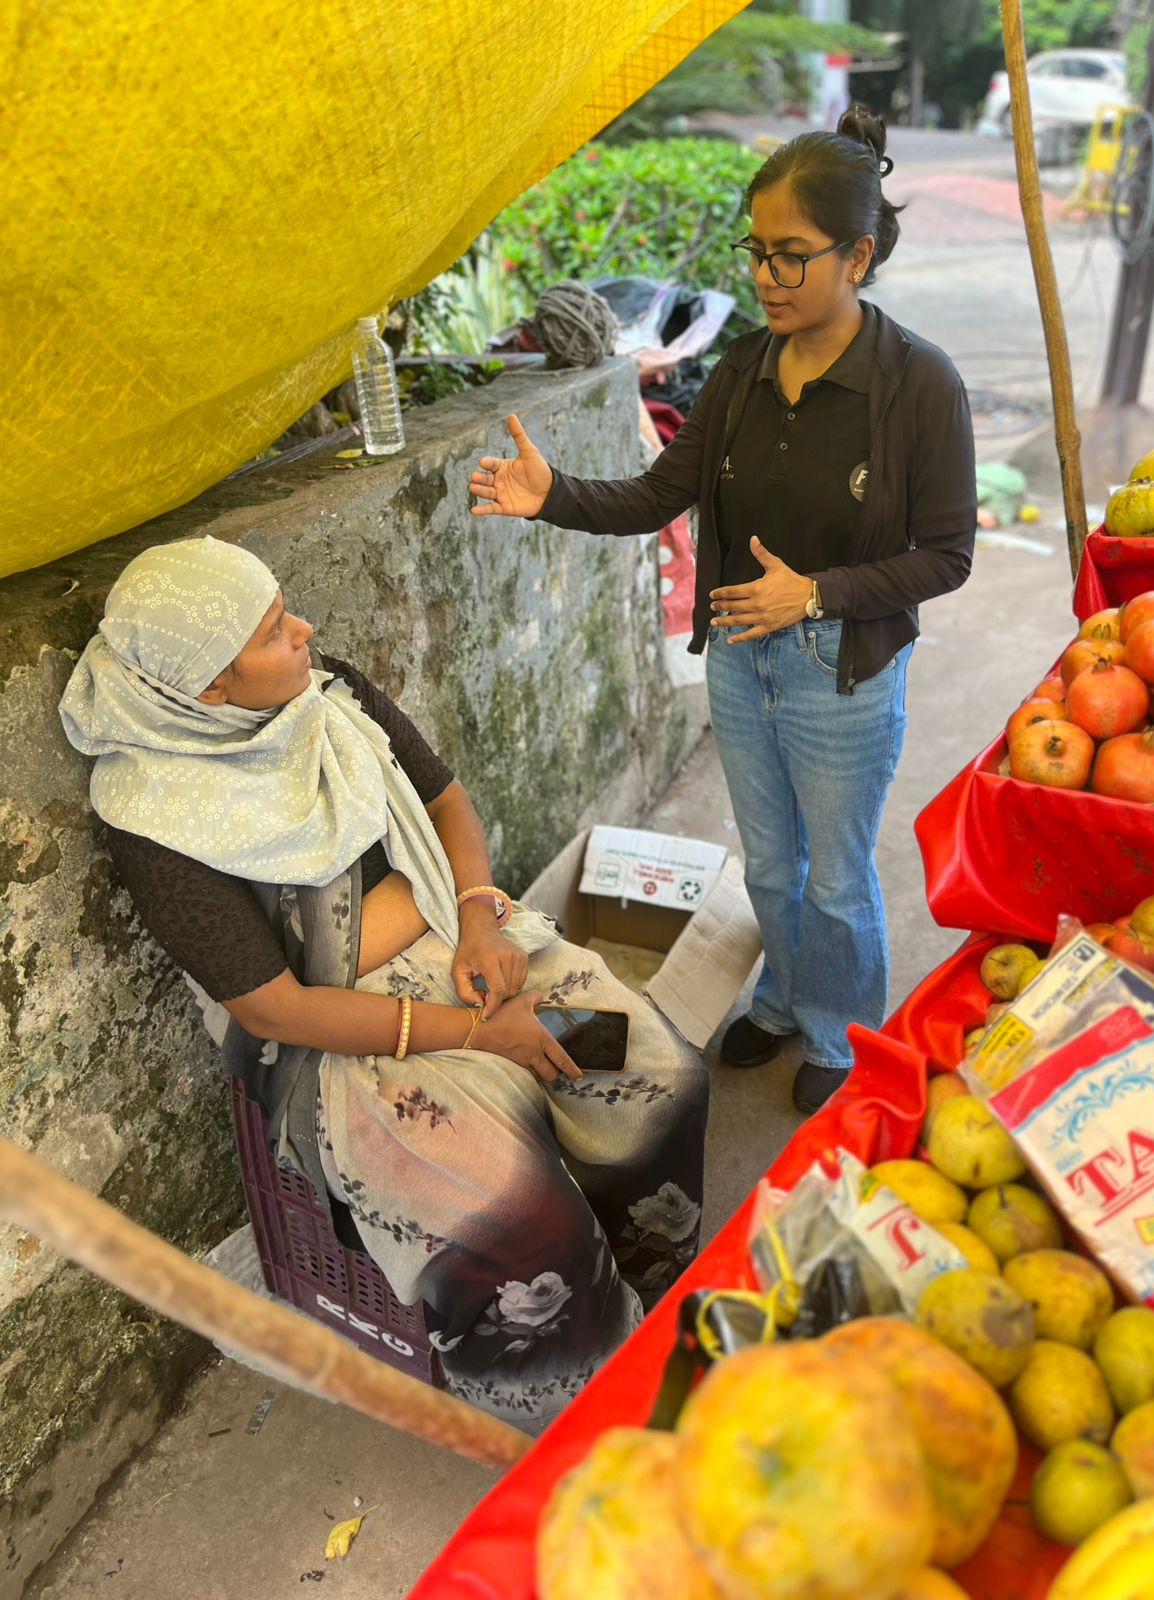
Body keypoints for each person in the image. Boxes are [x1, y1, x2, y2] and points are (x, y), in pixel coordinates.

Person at [58, 536, 708, 1431]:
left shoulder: (332, 694)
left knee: (658, 1077)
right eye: (272, 632)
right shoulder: (154, 819)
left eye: (285, 609)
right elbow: (277, 1008)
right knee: (518, 1218)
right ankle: (587, 1411)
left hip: (461, 941)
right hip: (343, 1037)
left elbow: (445, 801)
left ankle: (650, 1300)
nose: (304, 630)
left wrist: (479, 920)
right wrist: (483, 1034)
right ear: (207, 689)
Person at [469, 106, 976, 1115]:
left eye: (792, 256)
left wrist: (817, 593)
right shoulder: (744, 369)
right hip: (743, 658)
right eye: (757, 252)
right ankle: (784, 1003)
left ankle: (839, 1031)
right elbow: (659, 495)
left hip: (842, 669)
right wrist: (554, 494)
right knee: (773, 865)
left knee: (836, 875)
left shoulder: (918, 383)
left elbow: (947, 556)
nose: (766, 277)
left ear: (858, 254)